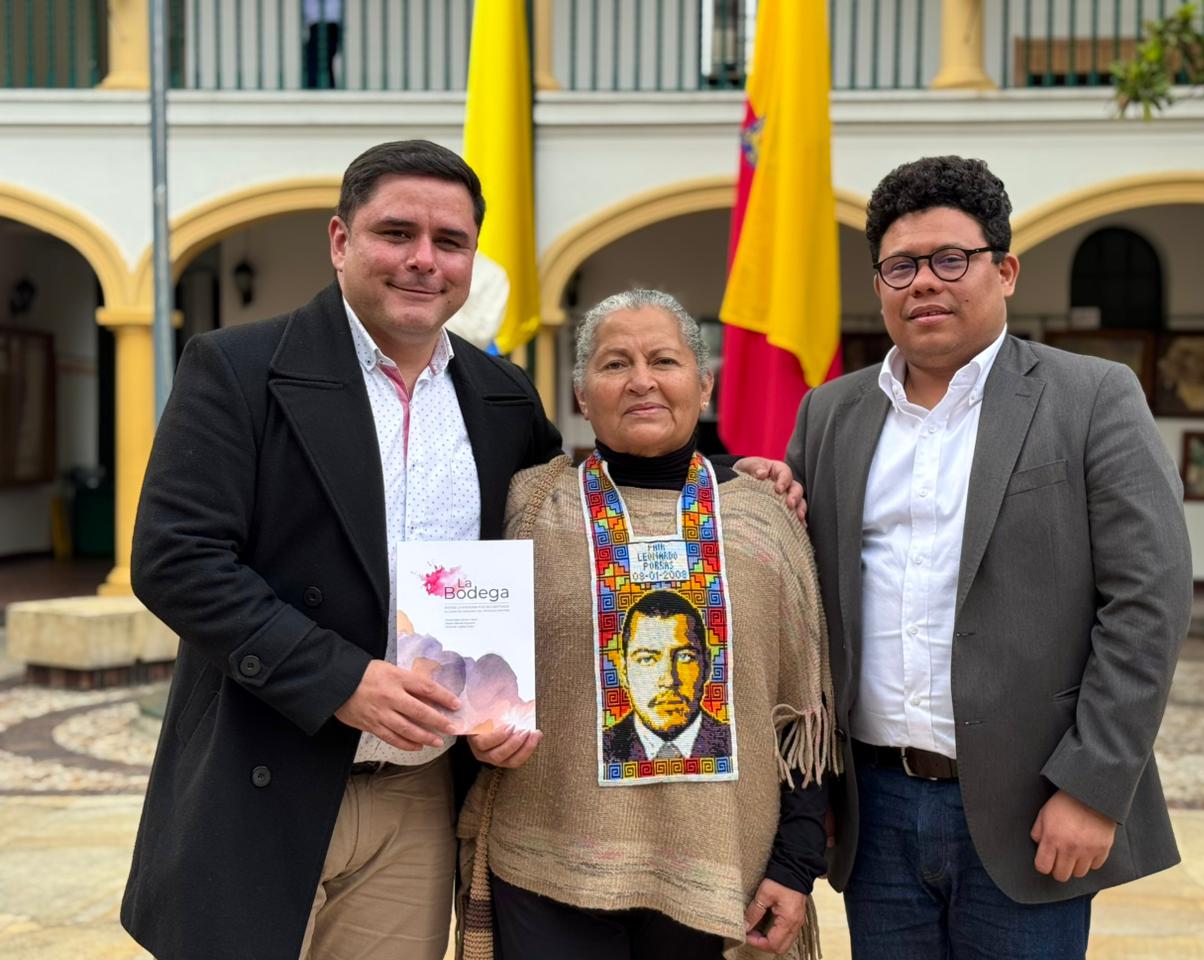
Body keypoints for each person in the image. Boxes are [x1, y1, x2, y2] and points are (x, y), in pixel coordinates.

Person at [120, 140, 563, 960]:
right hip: (262, 778)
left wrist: (734, 478)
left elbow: (566, 534)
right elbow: (176, 559)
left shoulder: (503, 399)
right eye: (396, 233)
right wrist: (340, 680)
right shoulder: (239, 368)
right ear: (339, 241)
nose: (424, 261)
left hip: (418, 800)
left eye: (450, 242)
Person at [785, 155, 1193, 959]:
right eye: (900, 266)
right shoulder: (831, 412)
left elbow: (1149, 600)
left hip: (1035, 808)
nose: (923, 284)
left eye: (950, 260)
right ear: (879, 285)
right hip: (876, 812)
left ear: (1004, 271)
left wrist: (1093, 787)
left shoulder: (1090, 397)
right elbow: (799, 596)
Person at [457, 289, 836, 960]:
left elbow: (802, 718)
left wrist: (795, 862)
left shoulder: (762, 518)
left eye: (664, 360)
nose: (641, 381)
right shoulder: (530, 507)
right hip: (551, 870)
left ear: (703, 382)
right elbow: (471, 656)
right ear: (580, 393)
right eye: (614, 364)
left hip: (723, 871)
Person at [602, 589, 732, 764]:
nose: (669, 680)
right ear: (623, 670)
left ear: (707, 665)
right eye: (647, 659)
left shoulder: (734, 743)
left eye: (685, 657)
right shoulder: (601, 750)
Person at [303, 0, 343, 89]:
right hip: (316, 26)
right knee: (315, 62)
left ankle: (320, 91)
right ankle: (317, 91)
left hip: (329, 25)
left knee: (323, 62)